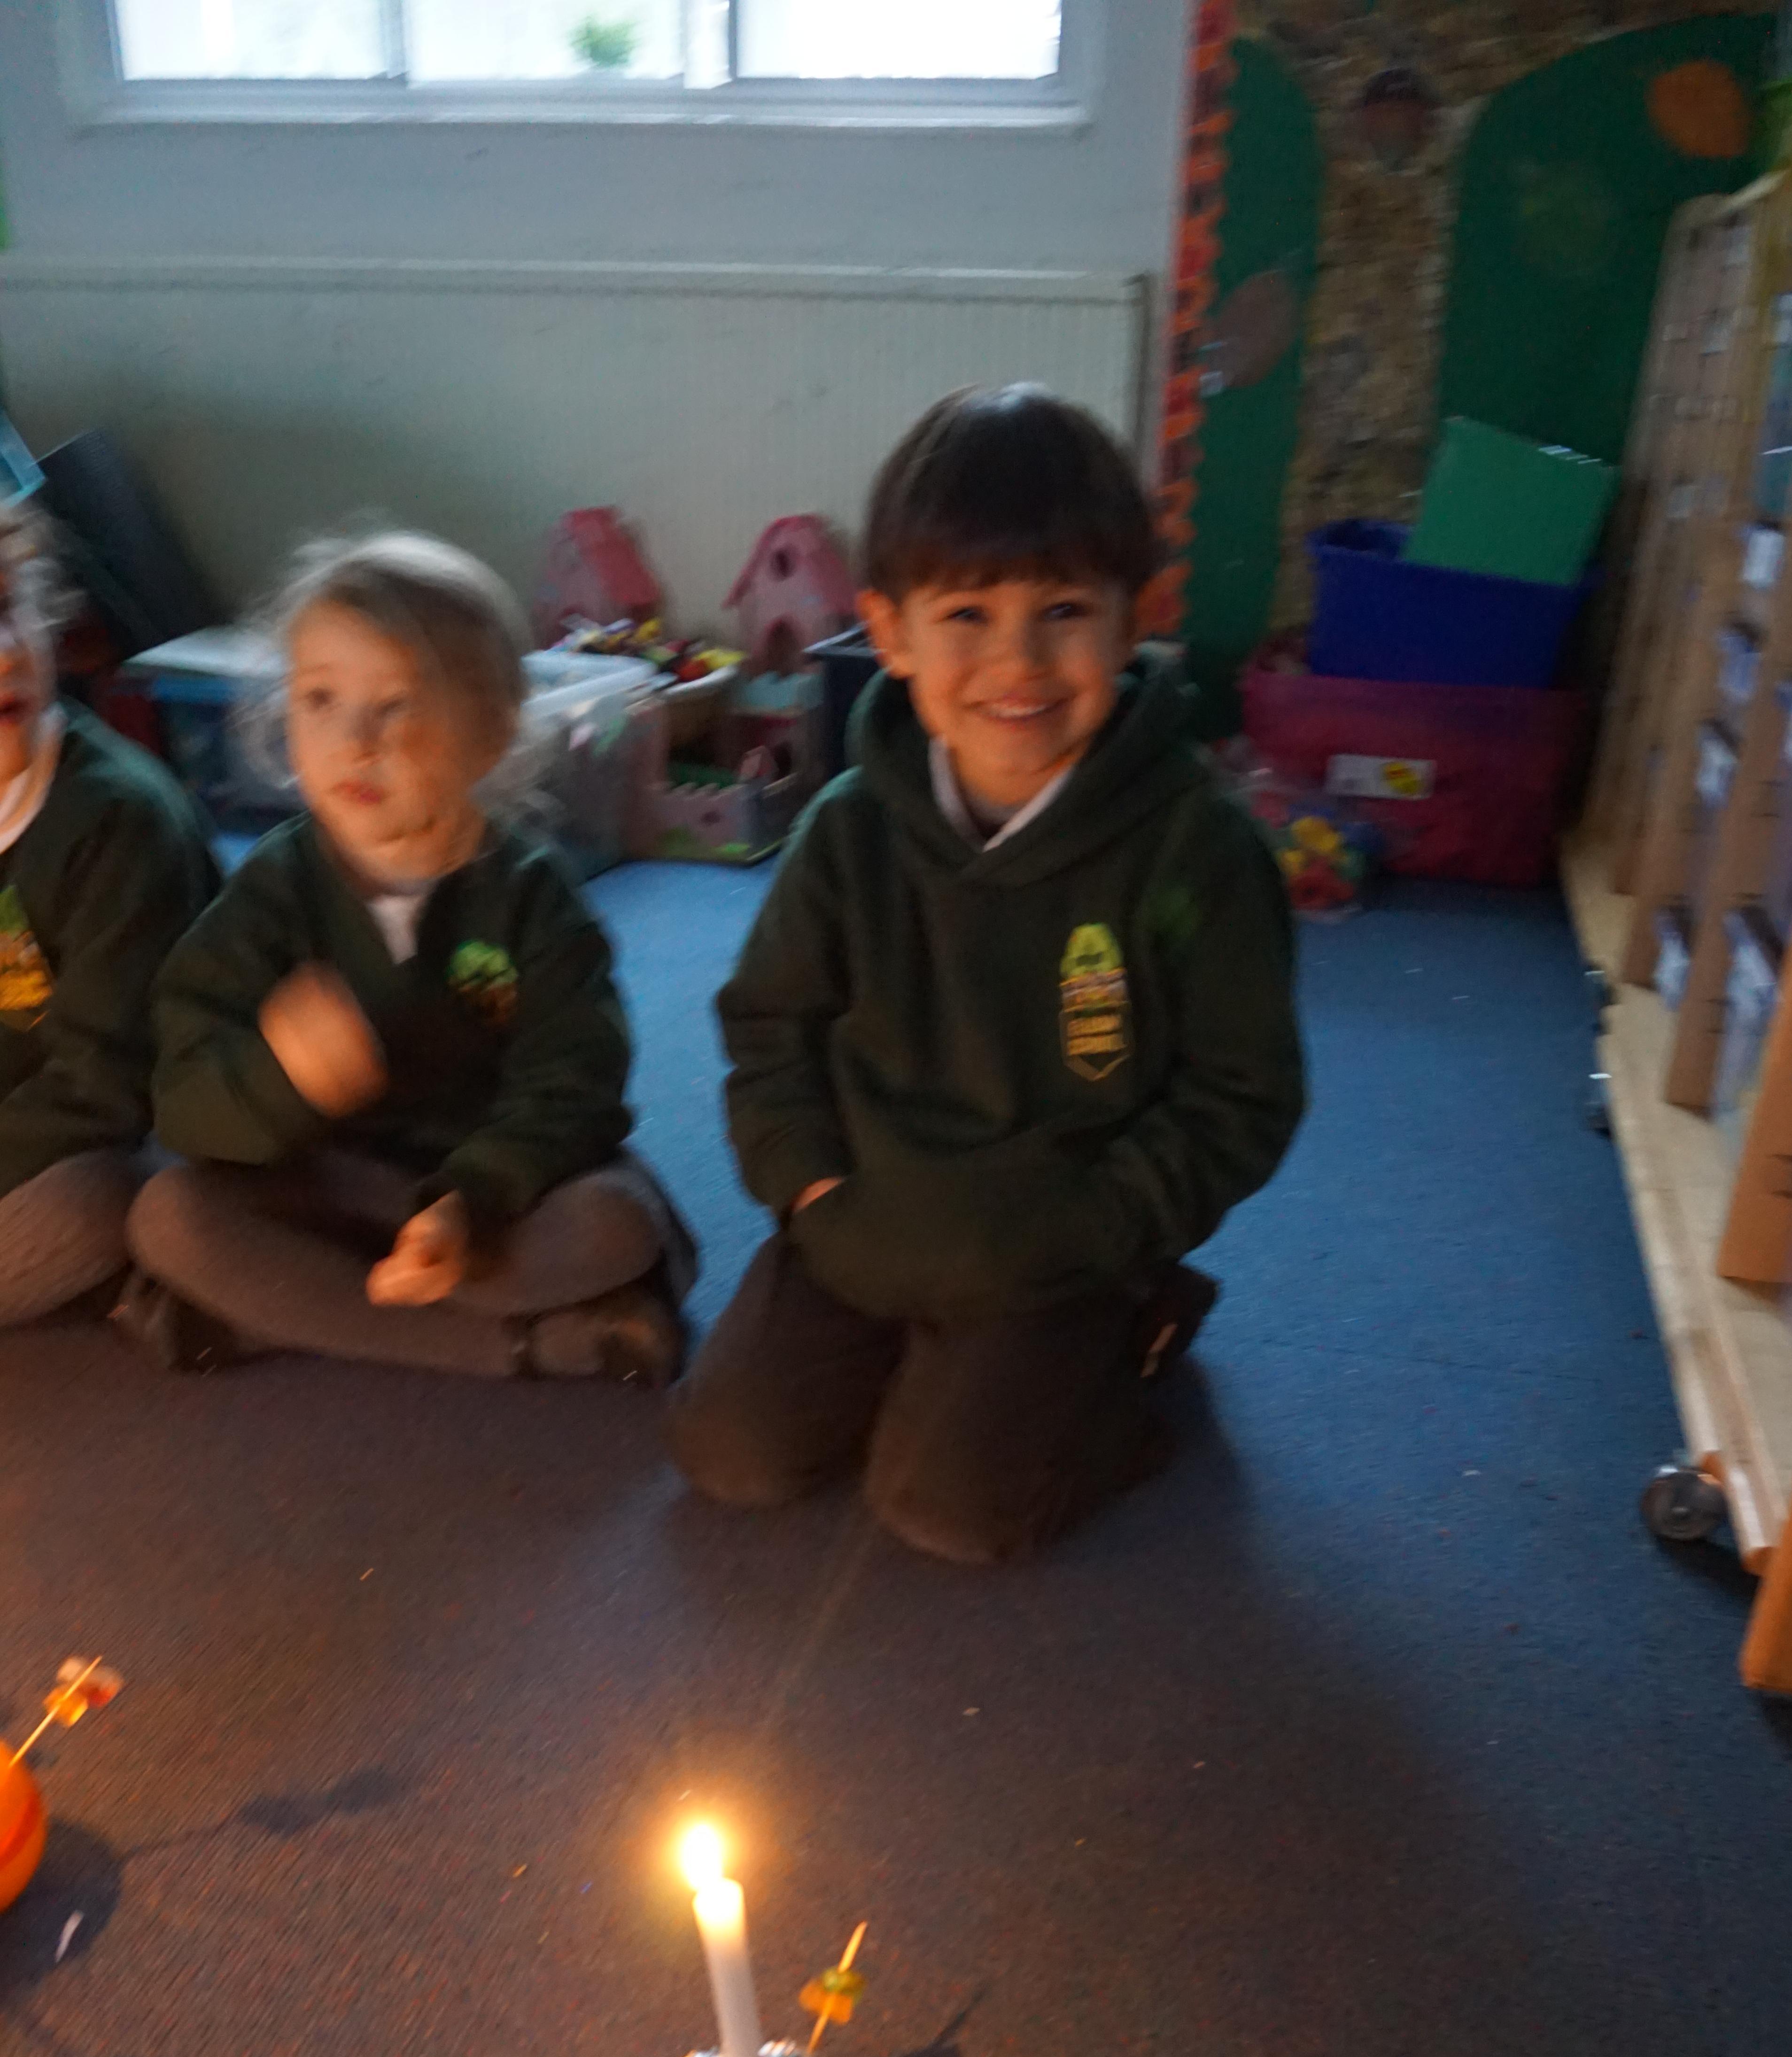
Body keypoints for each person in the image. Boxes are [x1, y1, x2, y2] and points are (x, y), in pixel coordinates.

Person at [666, 385, 1305, 1563]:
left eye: (1062, 610)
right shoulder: (846, 833)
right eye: (965, 613)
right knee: (732, 1452)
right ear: (890, 632)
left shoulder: (1196, 851)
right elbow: (768, 1027)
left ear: (1130, 621)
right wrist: (807, 1188)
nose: (1017, 661)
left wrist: (1099, 1226)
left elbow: (1239, 1095)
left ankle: (1138, 1335)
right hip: (862, 1222)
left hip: (1061, 1247)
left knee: (951, 1509)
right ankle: (941, 1353)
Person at [124, 529, 692, 1380]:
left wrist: (470, 1200)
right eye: (320, 699)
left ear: (491, 736)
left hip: (494, 1197)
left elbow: (576, 1084)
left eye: (395, 705)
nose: (355, 740)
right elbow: (182, 1101)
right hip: (327, 1188)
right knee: (168, 1213)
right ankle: (513, 1344)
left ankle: (293, 1316)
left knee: (620, 1221)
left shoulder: (532, 896)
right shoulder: (269, 895)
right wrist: (280, 1076)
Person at [0, 502, 219, 1328]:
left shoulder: (120, 820)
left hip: (125, 1133)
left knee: (92, 1205)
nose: (4, 652)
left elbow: (103, 1090)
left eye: (6, 608)